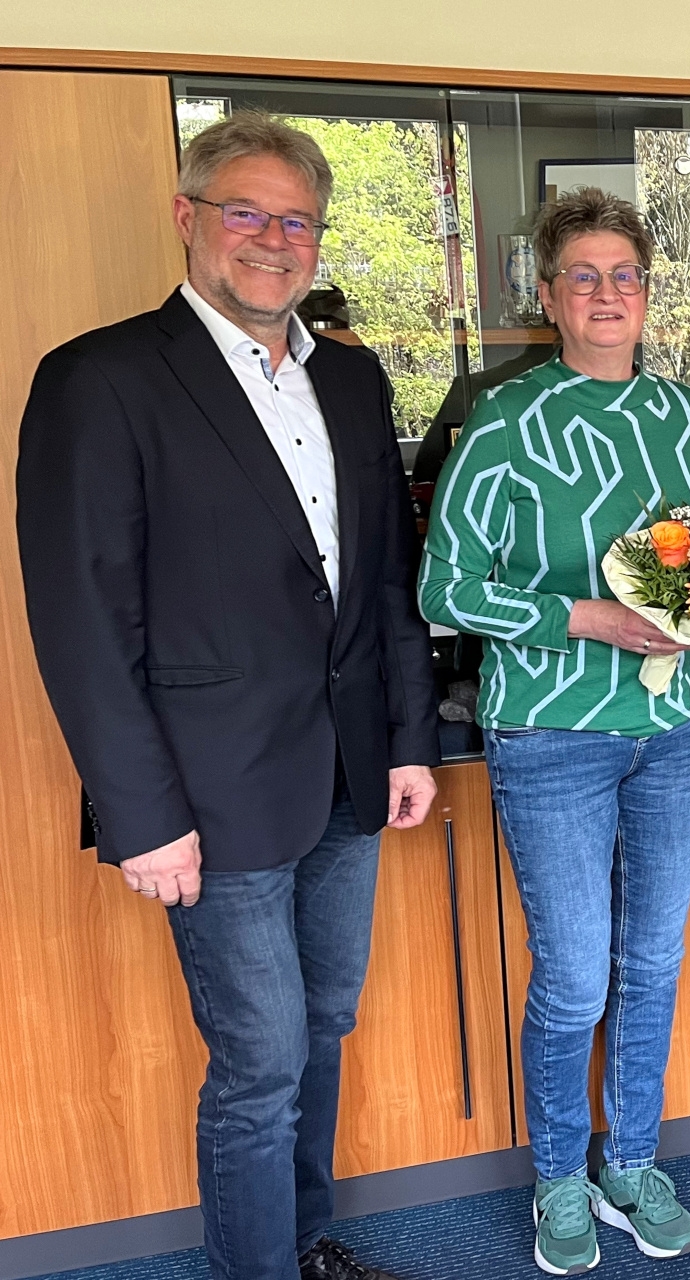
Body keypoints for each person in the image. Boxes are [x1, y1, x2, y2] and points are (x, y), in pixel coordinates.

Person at [15, 113, 439, 1280]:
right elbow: (82, 618)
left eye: (295, 220)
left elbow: (385, 580)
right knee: (259, 1058)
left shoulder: (350, 378)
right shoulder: (99, 380)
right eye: (245, 212)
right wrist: (138, 812)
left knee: (324, 1027)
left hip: (351, 776)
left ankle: (299, 1243)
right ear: (188, 216)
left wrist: (408, 739)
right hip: (208, 793)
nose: (272, 239)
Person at [419, 188, 690, 1272]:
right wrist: (584, 615)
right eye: (583, 277)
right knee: (576, 973)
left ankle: (631, 1161)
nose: (607, 295)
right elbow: (444, 585)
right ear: (548, 295)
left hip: (674, 727)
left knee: (654, 960)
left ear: (648, 295)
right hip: (551, 731)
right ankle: (559, 1173)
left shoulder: (689, 416)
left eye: (625, 276)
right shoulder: (506, 417)